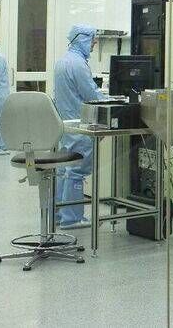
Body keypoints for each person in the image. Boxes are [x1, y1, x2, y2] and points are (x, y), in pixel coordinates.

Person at [53, 24, 106, 229]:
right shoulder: (78, 64)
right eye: (92, 39)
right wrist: (111, 101)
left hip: (66, 124)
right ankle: (72, 218)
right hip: (80, 124)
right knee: (76, 171)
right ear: (82, 39)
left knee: (64, 169)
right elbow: (91, 95)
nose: (94, 43)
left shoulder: (63, 61)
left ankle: (59, 214)